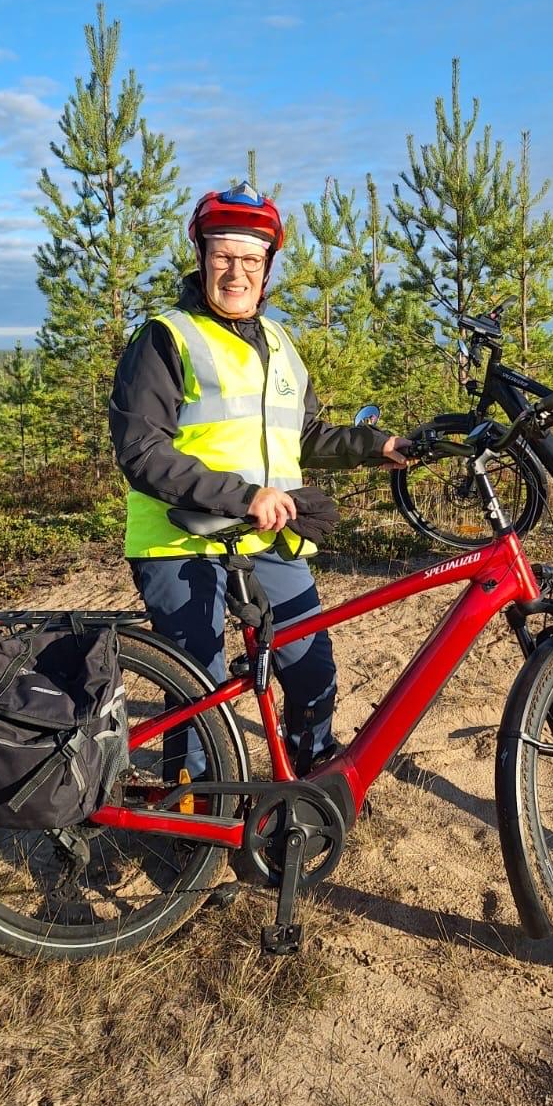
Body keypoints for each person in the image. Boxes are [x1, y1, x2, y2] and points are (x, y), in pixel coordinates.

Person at [109, 183, 409, 779]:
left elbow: (307, 435)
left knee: (310, 661)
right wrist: (244, 497)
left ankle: (313, 775)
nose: (236, 272)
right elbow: (141, 449)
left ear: (267, 267)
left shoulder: (279, 343)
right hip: (179, 538)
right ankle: (195, 816)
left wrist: (381, 445)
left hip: (265, 535)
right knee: (201, 688)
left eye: (250, 259)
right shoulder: (165, 338)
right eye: (223, 256)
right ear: (202, 258)